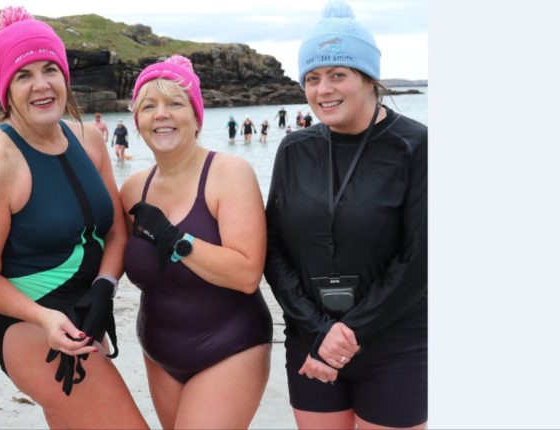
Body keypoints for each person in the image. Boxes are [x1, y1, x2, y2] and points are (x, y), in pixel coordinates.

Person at [0, 7, 148, 429]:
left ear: (65, 76)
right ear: (5, 89)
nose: (41, 84)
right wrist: (46, 318)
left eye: (49, 69)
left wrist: (105, 287)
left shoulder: (89, 140)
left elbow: (115, 232)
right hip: (30, 323)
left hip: (88, 312)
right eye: (23, 75)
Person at [264, 1, 428, 429]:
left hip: (395, 341)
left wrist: (348, 334)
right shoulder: (294, 149)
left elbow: (420, 259)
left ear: (369, 78)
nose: (323, 89)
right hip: (311, 339)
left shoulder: (416, 145)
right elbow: (273, 249)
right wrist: (318, 330)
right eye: (312, 78)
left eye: (338, 74)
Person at [120, 54, 273, 429]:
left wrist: (173, 238)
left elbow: (247, 274)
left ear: (196, 116)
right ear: (137, 121)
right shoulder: (133, 189)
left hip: (230, 347)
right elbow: (107, 249)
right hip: (158, 351)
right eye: (149, 106)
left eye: (175, 103)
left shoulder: (229, 173)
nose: (161, 114)